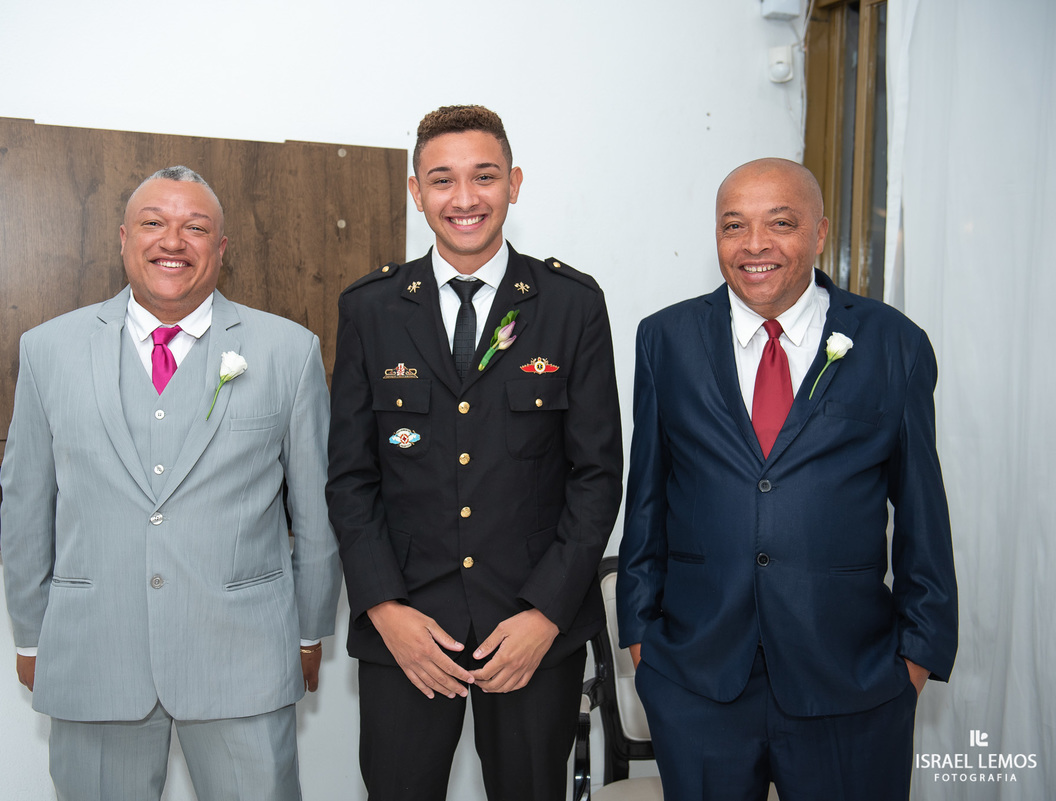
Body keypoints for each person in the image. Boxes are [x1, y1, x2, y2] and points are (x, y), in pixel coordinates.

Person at [616, 157, 958, 800]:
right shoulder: (665, 339)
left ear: (820, 232)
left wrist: (914, 658)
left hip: (852, 682)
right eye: (733, 226)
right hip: (698, 680)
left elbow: (923, 514)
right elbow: (648, 500)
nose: (754, 246)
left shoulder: (892, 344)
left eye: (780, 223)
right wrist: (641, 642)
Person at [0, 166, 341, 801]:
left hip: (246, 655)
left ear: (221, 248)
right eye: (155, 223)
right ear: (125, 238)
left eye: (196, 226)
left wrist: (308, 630)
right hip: (92, 650)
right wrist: (29, 631)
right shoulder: (47, 350)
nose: (173, 241)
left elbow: (318, 508)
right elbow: (25, 502)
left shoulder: (288, 351)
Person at [326, 105, 623, 800]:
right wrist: (384, 609)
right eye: (442, 180)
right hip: (407, 630)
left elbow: (596, 475)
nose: (464, 199)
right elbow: (349, 478)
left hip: (528, 630)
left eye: (483, 177)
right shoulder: (370, 308)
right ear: (415, 191)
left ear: (513, 184)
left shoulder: (569, 304)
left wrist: (546, 613)